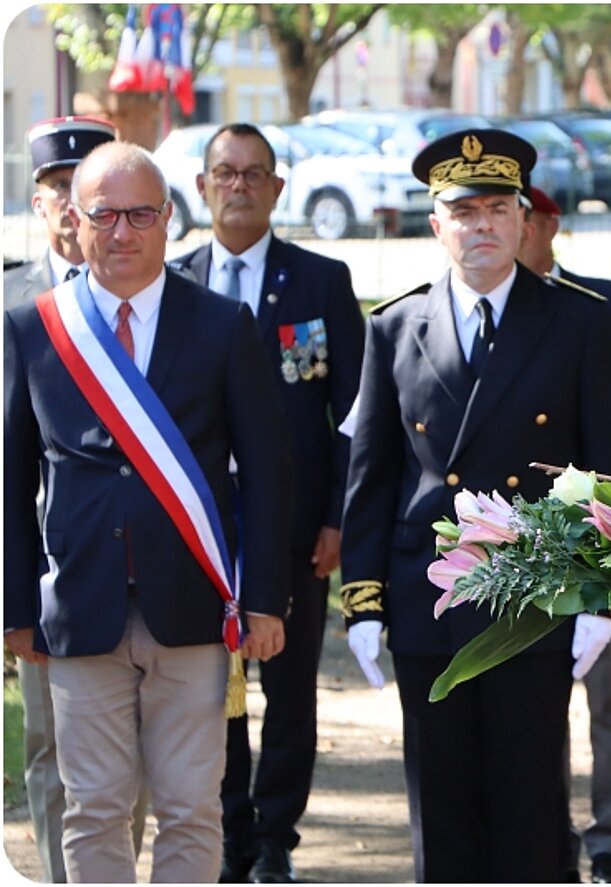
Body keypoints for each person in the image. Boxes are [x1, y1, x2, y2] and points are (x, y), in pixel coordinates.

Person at [338, 129, 611, 882]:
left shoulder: (579, 321)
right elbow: (373, 475)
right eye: (462, 211)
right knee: (441, 810)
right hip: (429, 594)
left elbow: (607, 473)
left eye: (498, 209)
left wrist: (602, 593)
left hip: (536, 597)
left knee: (530, 803)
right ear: (435, 224)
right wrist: (363, 602)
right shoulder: (395, 324)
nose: (481, 226)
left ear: (526, 220)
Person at [3, 141, 292, 882]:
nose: (122, 232)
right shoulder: (34, 327)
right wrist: (13, 603)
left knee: (191, 806)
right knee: (92, 806)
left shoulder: (223, 324)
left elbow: (266, 471)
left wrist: (263, 600)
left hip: (193, 604)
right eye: (105, 214)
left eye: (140, 214)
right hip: (79, 608)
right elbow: (10, 475)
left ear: (168, 218)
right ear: (76, 218)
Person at [176, 122, 365, 884]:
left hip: (292, 525)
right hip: (200, 526)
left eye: (255, 174)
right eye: (226, 172)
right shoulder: (176, 277)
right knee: (210, 686)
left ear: (278, 188)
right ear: (202, 186)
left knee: (289, 687)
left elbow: (354, 410)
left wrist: (337, 516)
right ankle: (225, 825)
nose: (239, 186)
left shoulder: (319, 280)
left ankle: (274, 834)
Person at [2, 115, 151, 885]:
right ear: (39, 202)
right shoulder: (10, 302)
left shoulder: (149, 296)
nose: (70, 202)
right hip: (41, 566)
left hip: (136, 569)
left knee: (123, 751)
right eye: (56, 188)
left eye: (81, 185)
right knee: (52, 748)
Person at [518, 185, 611, 884]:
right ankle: (539, 830)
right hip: (515, 543)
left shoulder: (606, 306)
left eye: (522, 218)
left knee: (608, 692)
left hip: (599, 530)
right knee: (524, 694)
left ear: (548, 224)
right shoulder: (479, 307)